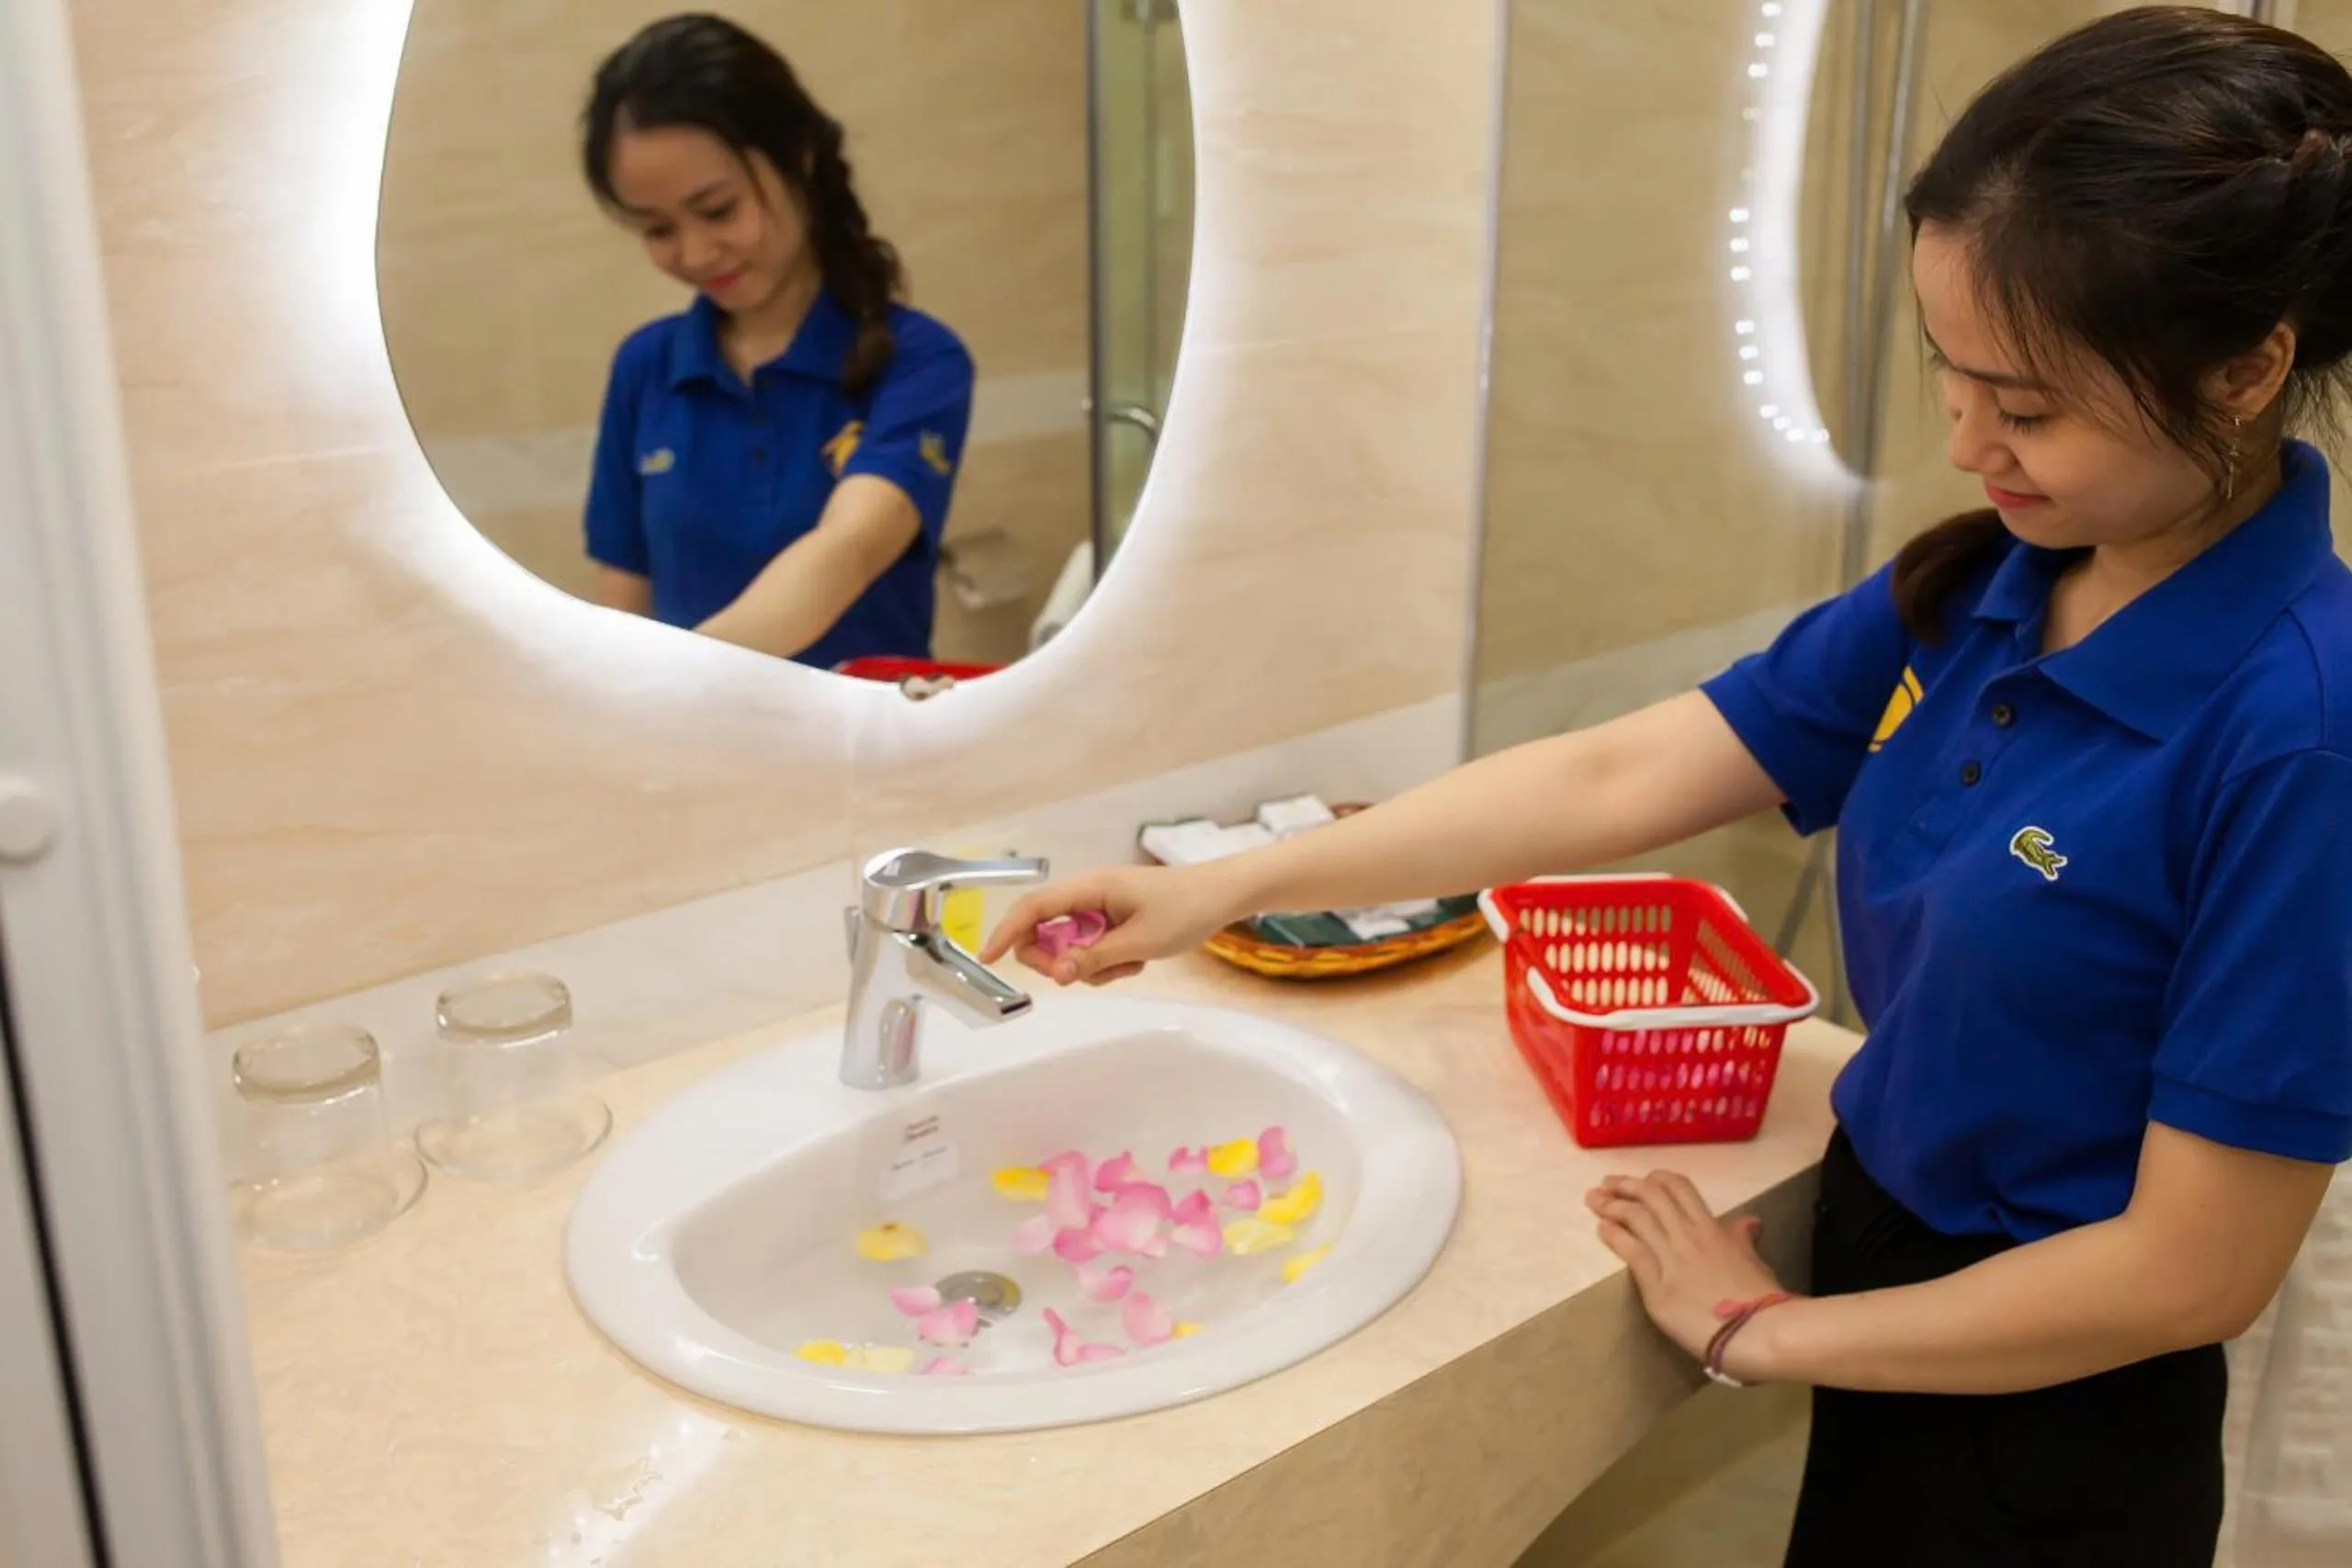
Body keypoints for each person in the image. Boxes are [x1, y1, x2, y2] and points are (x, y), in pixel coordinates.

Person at [983, 9, 2352, 1563]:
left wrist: (1756, 1331)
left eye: (2028, 406)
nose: (1968, 441)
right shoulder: (1991, 582)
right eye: (1952, 377)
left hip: (2058, 1406)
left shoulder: (2300, 732)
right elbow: (1621, 767)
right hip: (1885, 1272)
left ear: (2246, 369)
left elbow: (2189, 1270)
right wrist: (1221, 886)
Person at [578, 14, 973, 668]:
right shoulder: (645, 368)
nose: (695, 253)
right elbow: (623, 605)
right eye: (657, 229)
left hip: (854, 728)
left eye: (718, 210)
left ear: (798, 156)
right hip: (686, 728)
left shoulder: (919, 361)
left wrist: (674, 681)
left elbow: (846, 552)